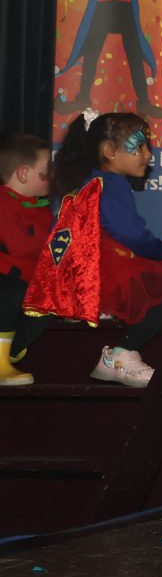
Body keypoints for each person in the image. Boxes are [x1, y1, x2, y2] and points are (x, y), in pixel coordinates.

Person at [29, 111, 162, 388]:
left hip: (71, 277)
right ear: (110, 151)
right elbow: (133, 236)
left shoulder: (84, 183)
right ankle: (122, 352)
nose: (148, 155)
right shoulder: (112, 184)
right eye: (139, 147)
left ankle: (94, 308)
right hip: (99, 272)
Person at [0, 134, 52, 387]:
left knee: (48, 301)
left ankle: (11, 352)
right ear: (23, 174)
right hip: (7, 280)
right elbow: (18, 245)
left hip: (28, 282)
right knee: (13, 293)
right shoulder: (3, 203)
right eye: (46, 171)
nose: (52, 177)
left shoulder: (41, 208)